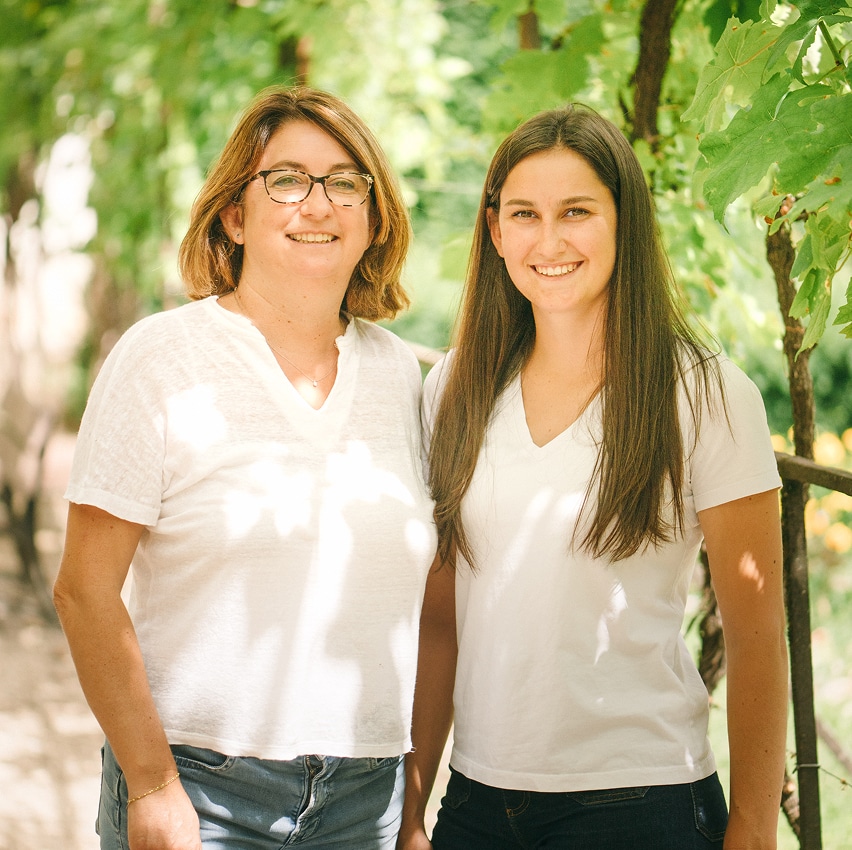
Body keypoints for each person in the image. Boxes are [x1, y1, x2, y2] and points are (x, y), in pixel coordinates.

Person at [53, 85, 437, 850]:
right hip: (200, 789)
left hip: (368, 802)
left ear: (373, 214)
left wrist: (413, 805)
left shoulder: (406, 380)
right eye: (287, 179)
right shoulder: (161, 359)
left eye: (344, 182)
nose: (317, 204)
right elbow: (84, 589)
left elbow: (433, 613)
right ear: (236, 214)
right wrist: (154, 784)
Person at [397, 104, 788, 850]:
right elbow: (439, 618)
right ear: (496, 229)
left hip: (641, 804)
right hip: (478, 804)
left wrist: (754, 830)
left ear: (623, 222)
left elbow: (757, 632)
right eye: (525, 214)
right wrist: (411, 810)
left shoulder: (704, 392)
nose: (549, 240)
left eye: (576, 212)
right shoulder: (454, 388)